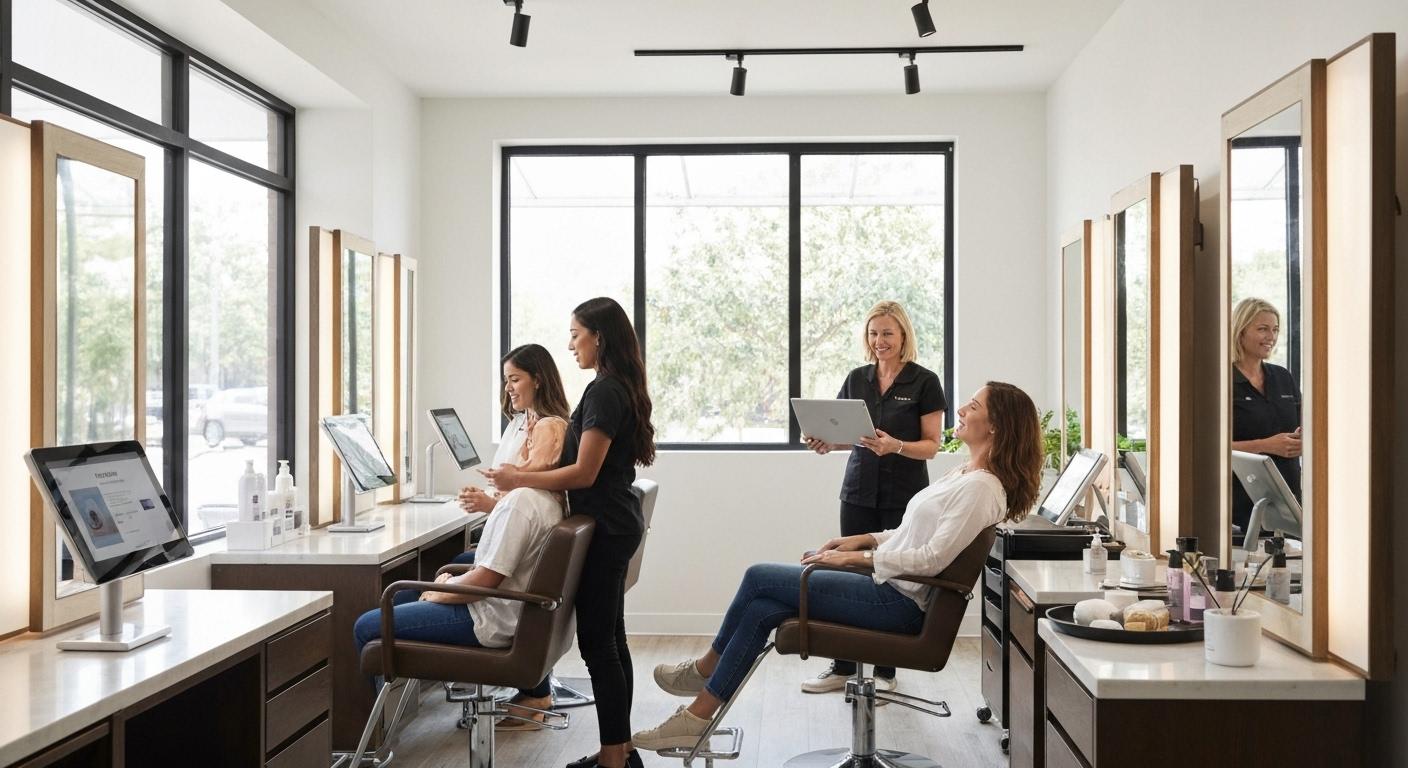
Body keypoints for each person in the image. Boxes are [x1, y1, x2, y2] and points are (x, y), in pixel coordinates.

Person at [630, 382, 1042, 751]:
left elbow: (931, 559)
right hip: (891, 589)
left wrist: (853, 558)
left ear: (997, 427)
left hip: (898, 604)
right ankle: (697, 717)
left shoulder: (981, 489)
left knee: (758, 577)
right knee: (762, 609)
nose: (962, 411)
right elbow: (912, 534)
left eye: (972, 406)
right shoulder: (964, 474)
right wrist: (862, 539)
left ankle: (704, 672)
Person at [351, 344, 571, 725]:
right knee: (429, 580)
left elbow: (487, 579)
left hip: (489, 618)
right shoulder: (550, 498)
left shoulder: (522, 502)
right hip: (511, 612)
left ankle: (376, 741)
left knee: (367, 625)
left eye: (532, 437)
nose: (523, 438)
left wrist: (441, 591)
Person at [483, 297, 656, 768]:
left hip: (607, 526)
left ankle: (613, 760)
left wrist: (518, 479)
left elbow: (584, 473)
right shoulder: (615, 386)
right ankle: (620, 753)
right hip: (615, 522)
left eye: (576, 334)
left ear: (598, 337)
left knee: (601, 645)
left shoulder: (604, 393)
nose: (571, 344)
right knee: (612, 642)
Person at [800, 300, 946, 692]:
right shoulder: (857, 378)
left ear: (903, 336)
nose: (879, 341)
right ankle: (843, 665)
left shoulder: (924, 382)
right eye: (873, 333)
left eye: (887, 333)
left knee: (891, 575)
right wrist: (827, 443)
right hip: (859, 490)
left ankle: (885, 671)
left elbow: (932, 446)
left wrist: (896, 446)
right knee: (848, 571)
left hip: (905, 495)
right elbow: (851, 435)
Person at [1229, 298, 1302, 534]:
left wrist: (1305, 441)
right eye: (1262, 329)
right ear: (1240, 332)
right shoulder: (1222, 380)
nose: (1271, 336)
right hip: (1241, 507)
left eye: (1275, 329)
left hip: (1289, 502)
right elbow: (1210, 450)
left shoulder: (1282, 377)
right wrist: (1266, 446)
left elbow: (1305, 425)